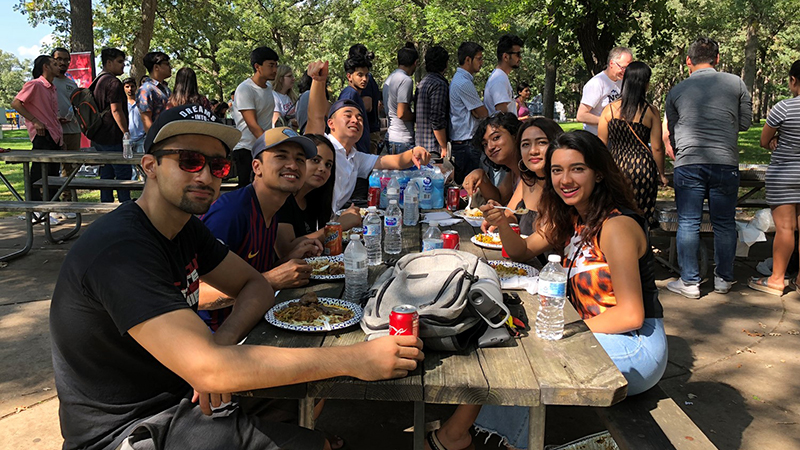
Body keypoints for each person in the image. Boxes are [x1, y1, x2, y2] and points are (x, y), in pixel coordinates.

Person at [50, 103, 424, 450]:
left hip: (185, 389)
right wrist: (356, 359)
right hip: (128, 431)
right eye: (190, 161)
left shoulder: (183, 229)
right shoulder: (121, 248)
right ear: (149, 165)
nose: (207, 175)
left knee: (304, 393)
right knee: (315, 439)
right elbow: (211, 368)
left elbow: (256, 284)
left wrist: (222, 346)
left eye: (219, 166)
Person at [427, 131, 667, 450]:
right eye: (557, 170)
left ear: (598, 172)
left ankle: (458, 436)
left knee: (531, 356)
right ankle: (463, 435)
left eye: (577, 168)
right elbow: (523, 251)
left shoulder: (617, 227)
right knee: (509, 339)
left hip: (635, 346)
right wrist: (500, 223)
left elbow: (631, 315)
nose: (565, 179)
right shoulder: (573, 216)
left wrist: (561, 328)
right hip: (597, 333)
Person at [198, 127, 326, 331]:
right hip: (216, 335)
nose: (293, 165)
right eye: (281, 157)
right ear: (257, 167)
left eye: (300, 159)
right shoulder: (231, 213)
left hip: (256, 322)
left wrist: (289, 258)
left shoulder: (271, 210)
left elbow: (253, 273)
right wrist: (270, 281)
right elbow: (196, 295)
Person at [665, 37, 752, 299]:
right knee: (724, 222)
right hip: (725, 162)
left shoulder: (676, 90)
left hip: (689, 162)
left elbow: (671, 130)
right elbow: (746, 123)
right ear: (717, 59)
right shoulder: (736, 83)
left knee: (689, 222)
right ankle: (724, 279)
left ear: (688, 61)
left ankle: (690, 282)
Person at [304, 61, 431, 210]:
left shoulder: (354, 157)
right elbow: (315, 117)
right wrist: (319, 81)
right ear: (331, 124)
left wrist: (414, 153)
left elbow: (392, 161)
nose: (355, 120)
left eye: (359, 118)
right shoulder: (323, 146)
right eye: (348, 115)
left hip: (332, 224)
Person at [748, 60, 800, 296]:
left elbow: (763, 140)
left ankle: (777, 279)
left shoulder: (784, 108)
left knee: (785, 228)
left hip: (784, 174)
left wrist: (778, 138)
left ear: (793, 80)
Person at [597, 61, 668, 225]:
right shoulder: (651, 111)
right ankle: (641, 243)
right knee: (641, 213)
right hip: (642, 168)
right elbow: (657, 147)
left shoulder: (609, 110)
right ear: (645, 83)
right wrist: (662, 174)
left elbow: (600, 144)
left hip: (616, 167)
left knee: (615, 212)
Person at [277, 134, 362, 243]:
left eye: (328, 165)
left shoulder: (313, 199)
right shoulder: (283, 198)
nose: (323, 169)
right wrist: (337, 226)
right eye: (316, 160)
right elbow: (287, 250)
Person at [11, 55, 62, 202]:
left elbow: (49, 113)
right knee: (38, 174)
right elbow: (16, 103)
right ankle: (34, 208)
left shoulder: (52, 88)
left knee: (53, 174)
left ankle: (53, 206)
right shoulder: (35, 85)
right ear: (45, 67)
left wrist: (59, 135)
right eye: (54, 63)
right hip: (42, 135)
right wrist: (35, 121)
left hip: (54, 135)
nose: (59, 66)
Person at [231, 46, 278, 189]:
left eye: (276, 65)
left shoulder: (269, 87)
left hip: (262, 147)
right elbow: (252, 125)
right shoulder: (245, 89)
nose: (275, 69)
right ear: (257, 66)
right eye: (271, 65)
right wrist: (269, 145)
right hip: (246, 149)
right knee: (246, 190)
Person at [92, 48, 132, 203]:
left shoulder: (98, 80)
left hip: (99, 137)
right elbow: (116, 110)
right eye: (120, 62)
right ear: (109, 62)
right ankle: (125, 208)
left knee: (107, 174)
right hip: (112, 137)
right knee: (123, 174)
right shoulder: (113, 83)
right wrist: (126, 132)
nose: (123, 66)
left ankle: (106, 207)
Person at [461, 112, 521, 206]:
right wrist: (482, 176)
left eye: (496, 138)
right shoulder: (513, 172)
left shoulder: (528, 172)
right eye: (485, 144)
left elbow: (508, 214)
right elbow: (499, 200)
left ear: (515, 135)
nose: (490, 147)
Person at [449, 42, 488, 184]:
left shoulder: (462, 80)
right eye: (479, 58)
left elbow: (477, 112)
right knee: (469, 188)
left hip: (465, 143)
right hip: (466, 144)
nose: (481, 62)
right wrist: (479, 112)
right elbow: (481, 112)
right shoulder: (463, 82)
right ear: (467, 60)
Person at [576, 47, 633, 135]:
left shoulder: (623, 82)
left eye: (628, 68)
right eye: (623, 67)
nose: (625, 71)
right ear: (611, 63)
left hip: (616, 137)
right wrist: (609, 122)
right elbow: (581, 116)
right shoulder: (597, 83)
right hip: (596, 138)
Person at [50, 47, 80, 203]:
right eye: (59, 59)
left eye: (66, 60)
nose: (63, 63)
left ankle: (69, 202)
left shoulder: (71, 83)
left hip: (72, 130)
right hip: (53, 132)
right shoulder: (45, 82)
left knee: (71, 168)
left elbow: (76, 106)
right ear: (51, 60)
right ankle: (53, 203)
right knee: (53, 168)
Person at [415, 45, 450, 158]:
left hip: (420, 144)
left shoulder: (422, 83)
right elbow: (437, 118)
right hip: (433, 148)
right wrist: (444, 147)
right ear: (445, 64)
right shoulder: (439, 85)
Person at [383, 43, 418, 154]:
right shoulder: (405, 80)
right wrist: (417, 116)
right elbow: (401, 113)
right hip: (402, 139)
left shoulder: (390, 78)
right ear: (415, 63)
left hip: (391, 136)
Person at [349, 44, 383, 154]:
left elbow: (368, 106)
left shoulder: (364, 81)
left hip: (368, 133)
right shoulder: (367, 79)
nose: (364, 78)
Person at [338, 54, 373, 154]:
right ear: (349, 76)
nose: (364, 79)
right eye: (360, 75)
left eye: (366, 75)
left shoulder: (356, 95)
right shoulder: (349, 94)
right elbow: (343, 129)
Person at [484, 34, 523, 116]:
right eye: (518, 54)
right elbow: (502, 116)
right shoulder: (499, 79)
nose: (520, 58)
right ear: (505, 57)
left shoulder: (501, 77)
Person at [137, 51, 172, 132]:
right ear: (156, 67)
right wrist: (154, 142)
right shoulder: (146, 89)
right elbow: (146, 120)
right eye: (167, 64)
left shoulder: (166, 89)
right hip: (157, 139)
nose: (170, 67)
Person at [124, 77, 146, 154]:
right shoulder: (122, 104)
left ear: (136, 87)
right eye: (127, 87)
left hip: (141, 138)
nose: (130, 89)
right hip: (127, 139)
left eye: (132, 86)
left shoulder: (141, 102)